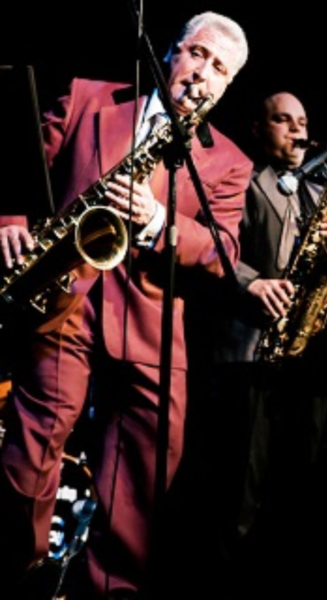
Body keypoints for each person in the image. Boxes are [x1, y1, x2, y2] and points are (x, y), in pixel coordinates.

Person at [0, 11, 251, 599]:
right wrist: (9, 218)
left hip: (150, 327)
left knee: (140, 478)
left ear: (227, 86)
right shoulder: (89, 98)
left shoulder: (230, 161)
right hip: (64, 298)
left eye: (219, 69)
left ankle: (111, 591)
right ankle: (13, 567)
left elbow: (223, 251)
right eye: (198, 54)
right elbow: (18, 160)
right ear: (171, 52)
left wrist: (159, 219)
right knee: (31, 451)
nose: (203, 73)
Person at [201, 91, 327, 568]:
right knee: (241, 492)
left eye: (302, 122)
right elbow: (213, 250)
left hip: (316, 358)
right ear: (257, 128)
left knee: (297, 493)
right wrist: (252, 283)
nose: (297, 131)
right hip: (257, 351)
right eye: (283, 121)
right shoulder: (242, 180)